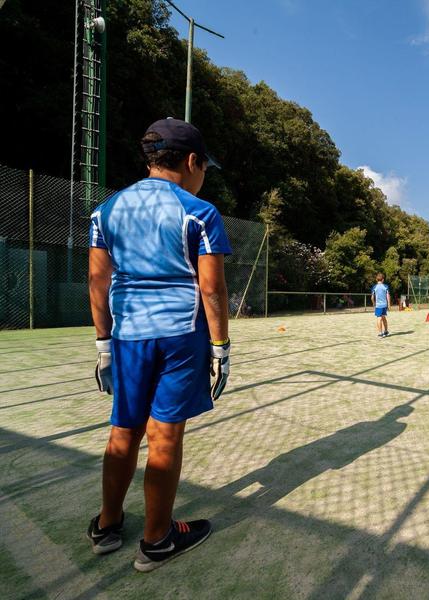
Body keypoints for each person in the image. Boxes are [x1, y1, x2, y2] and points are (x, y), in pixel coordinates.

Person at [87, 118, 232, 572]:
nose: (203, 173)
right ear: (191, 161)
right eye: (204, 166)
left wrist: (103, 344)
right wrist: (221, 345)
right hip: (179, 335)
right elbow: (212, 290)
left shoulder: (107, 210)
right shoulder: (199, 211)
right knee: (164, 434)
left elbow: (97, 279)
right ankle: (157, 539)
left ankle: (108, 525)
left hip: (127, 335)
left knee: (123, 431)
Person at [371, 273, 390, 338]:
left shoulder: (374, 287)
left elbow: (372, 297)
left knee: (379, 318)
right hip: (384, 305)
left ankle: (380, 333)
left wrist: (373, 303)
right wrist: (389, 305)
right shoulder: (386, 286)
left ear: (376, 279)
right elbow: (388, 296)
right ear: (383, 280)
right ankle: (386, 331)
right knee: (384, 317)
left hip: (378, 305)